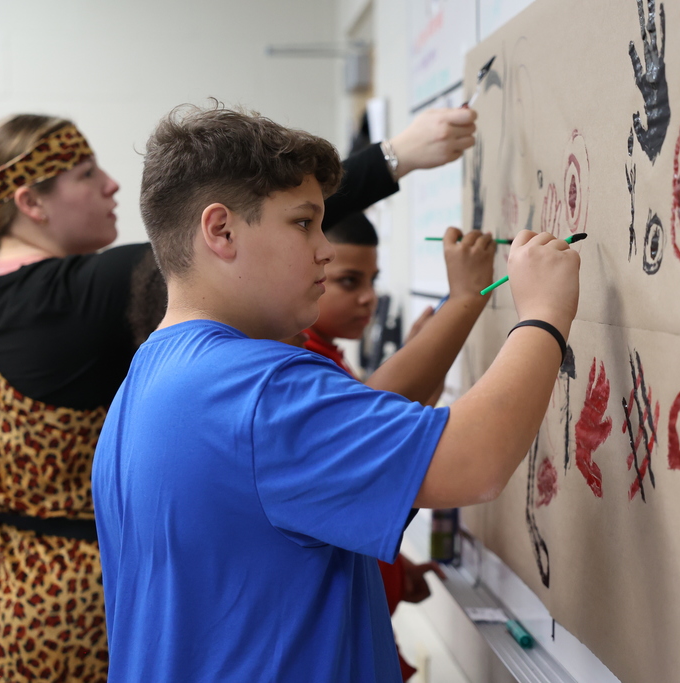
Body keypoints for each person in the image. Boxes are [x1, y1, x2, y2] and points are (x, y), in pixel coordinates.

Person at [0, 105, 477, 682]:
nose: (110, 184)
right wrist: (393, 158)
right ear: (31, 202)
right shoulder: (89, 291)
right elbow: (250, 212)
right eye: (85, 173)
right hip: (64, 611)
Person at [91, 103, 580, 682]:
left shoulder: (148, 375)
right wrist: (545, 313)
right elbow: (476, 463)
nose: (324, 248)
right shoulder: (256, 388)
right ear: (220, 230)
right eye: (303, 223)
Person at [306, 211, 495, 680]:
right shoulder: (303, 361)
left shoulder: (328, 355)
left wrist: (392, 566)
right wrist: (472, 300)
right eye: (348, 281)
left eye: (372, 280)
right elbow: (374, 434)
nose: (369, 297)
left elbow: (387, 428)